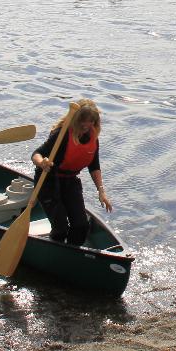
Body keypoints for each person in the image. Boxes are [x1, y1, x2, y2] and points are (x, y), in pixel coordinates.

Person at [31, 99, 112, 246]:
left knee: (81, 225)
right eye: (83, 120)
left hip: (70, 182)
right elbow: (36, 153)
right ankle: (56, 251)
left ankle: (74, 251)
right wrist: (42, 162)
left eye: (90, 121)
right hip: (48, 182)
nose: (86, 125)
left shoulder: (92, 137)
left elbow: (94, 166)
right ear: (75, 119)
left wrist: (101, 191)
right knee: (61, 227)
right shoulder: (61, 135)